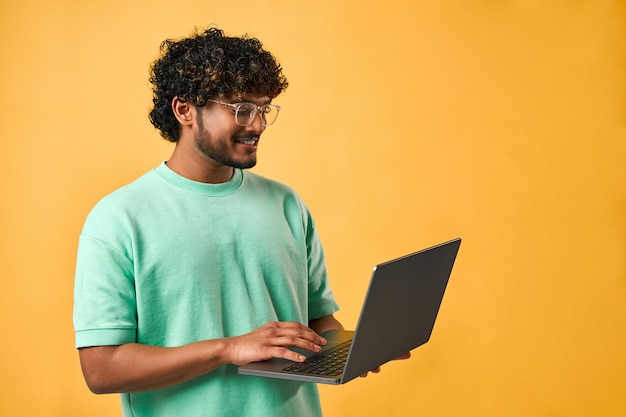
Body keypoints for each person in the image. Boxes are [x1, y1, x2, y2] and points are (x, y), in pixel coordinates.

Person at [73, 27, 401, 417]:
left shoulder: (286, 204)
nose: (258, 124)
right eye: (241, 109)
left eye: (263, 109)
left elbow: (318, 320)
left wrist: (355, 349)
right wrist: (228, 348)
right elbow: (101, 369)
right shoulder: (119, 218)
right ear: (184, 110)